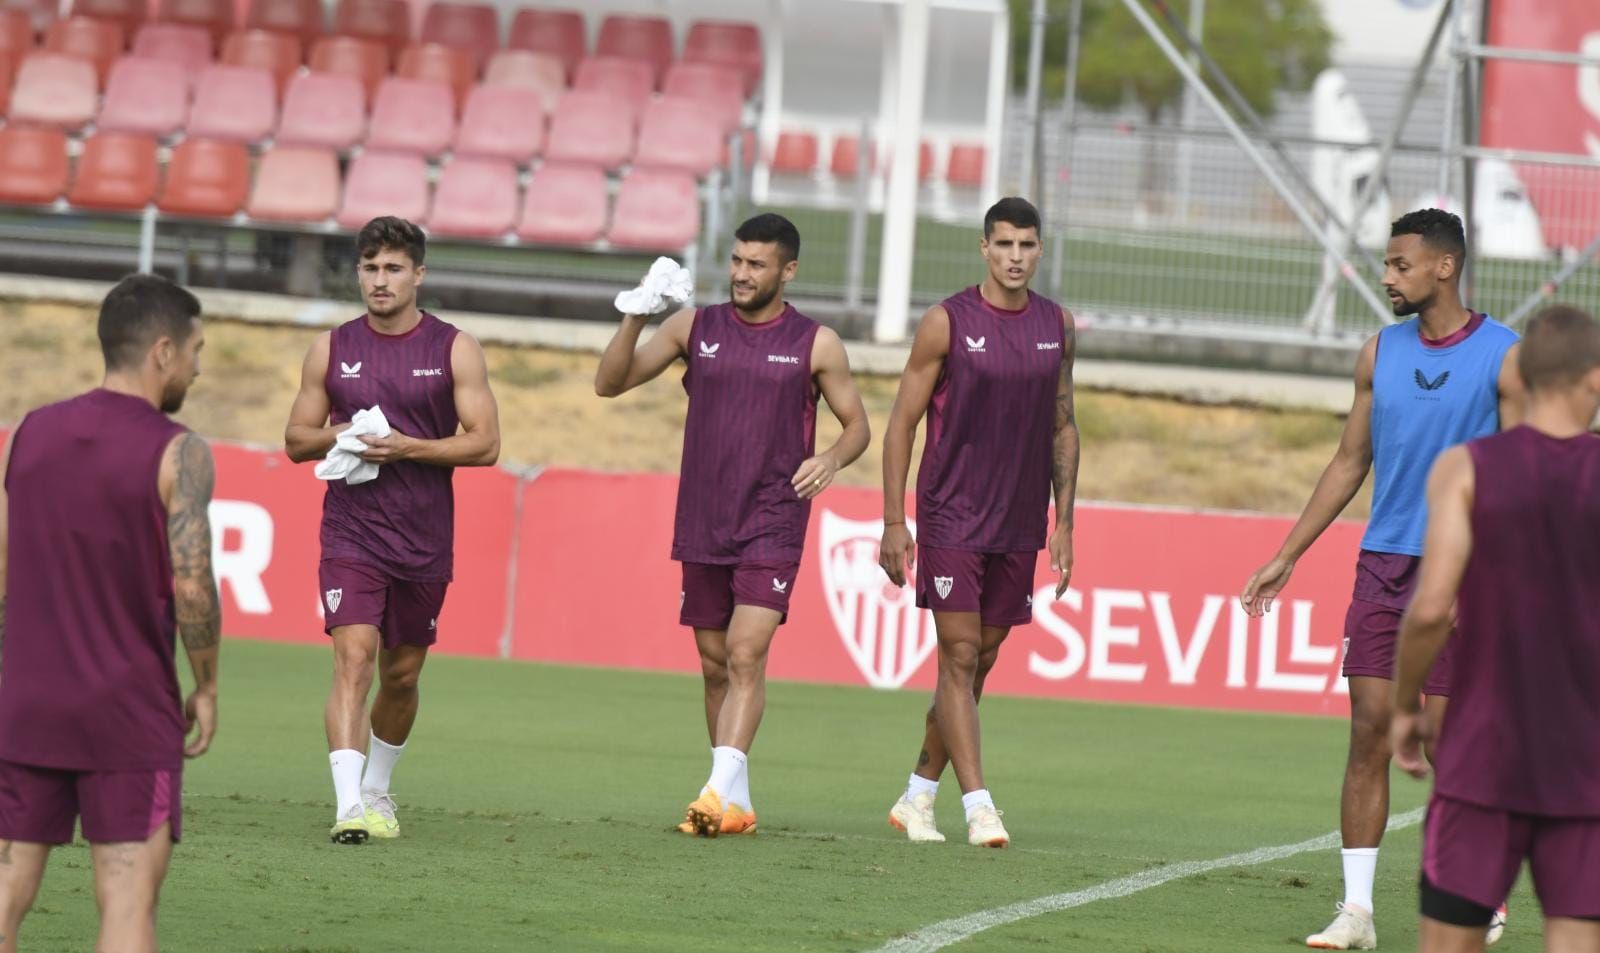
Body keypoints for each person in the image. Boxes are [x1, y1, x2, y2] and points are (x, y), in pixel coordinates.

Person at [1240, 208, 1524, 950]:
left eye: (1400, 264)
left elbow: (1524, 471)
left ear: (1443, 267)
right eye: (1386, 264)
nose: (1387, 276)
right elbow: (1348, 460)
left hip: (1466, 565)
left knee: (1445, 739)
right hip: (1384, 565)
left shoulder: (1505, 356)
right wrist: (1288, 551)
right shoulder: (1379, 353)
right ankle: (1357, 912)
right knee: (1368, 729)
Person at [595, 212, 870, 837]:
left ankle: (714, 794)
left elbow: (857, 426)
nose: (742, 274)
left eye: (757, 264)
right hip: (705, 514)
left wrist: (828, 459)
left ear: (788, 270)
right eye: (738, 261)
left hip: (773, 517)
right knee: (715, 661)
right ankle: (738, 804)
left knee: (746, 652)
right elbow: (608, 385)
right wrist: (637, 314)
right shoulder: (696, 325)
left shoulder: (817, 342)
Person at [0, 274, 221, 953]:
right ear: (161, 351)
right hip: (127, 706)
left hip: (26, 702)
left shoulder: (30, 432)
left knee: (7, 886)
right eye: (194, 350)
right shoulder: (179, 451)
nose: (196, 366)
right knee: (125, 897)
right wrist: (207, 683)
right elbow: (192, 587)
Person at [284, 216, 502, 845]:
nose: (380, 281)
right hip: (351, 533)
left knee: (401, 674)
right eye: (370, 268)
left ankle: (378, 786)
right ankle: (349, 805)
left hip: (424, 539)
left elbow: (485, 445)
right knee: (352, 659)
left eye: (393, 268)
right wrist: (343, 433)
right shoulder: (329, 347)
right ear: (358, 273)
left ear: (418, 275)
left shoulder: (455, 348)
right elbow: (297, 440)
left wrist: (405, 447)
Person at [1390, 304, 1600, 953]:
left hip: (1483, 757)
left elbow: (1429, 609)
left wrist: (1405, 707)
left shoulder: (1465, 468)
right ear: (1594, 379)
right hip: (1586, 762)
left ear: (1522, 378)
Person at [878, 196, 1079, 849]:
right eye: (1004, 245)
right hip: (951, 515)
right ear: (984, 249)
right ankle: (980, 805)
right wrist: (893, 520)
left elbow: (1062, 425)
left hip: (1018, 520)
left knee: (979, 659)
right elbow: (902, 422)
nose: (1015, 257)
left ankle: (917, 794)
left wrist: (1065, 521)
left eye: (1026, 245)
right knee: (959, 654)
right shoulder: (947, 322)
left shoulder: (1058, 325)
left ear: (1039, 250)